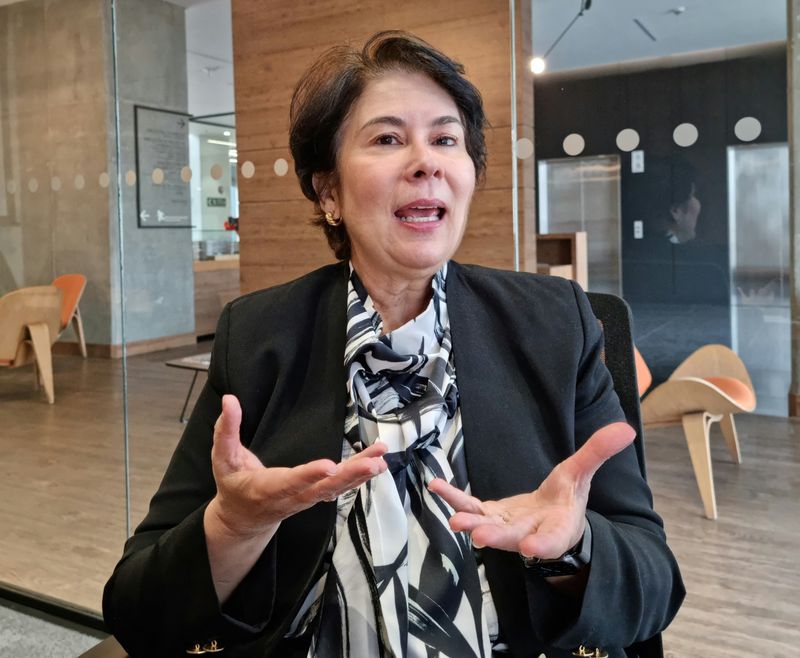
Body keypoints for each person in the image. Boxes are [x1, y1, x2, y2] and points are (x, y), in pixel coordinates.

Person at [103, 31, 684, 658]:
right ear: (328, 193)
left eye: (445, 139)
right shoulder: (257, 335)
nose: (426, 161)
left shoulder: (554, 323)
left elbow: (654, 586)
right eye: (386, 138)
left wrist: (575, 548)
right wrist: (234, 527)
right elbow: (138, 609)